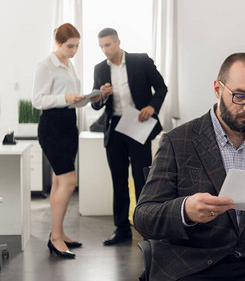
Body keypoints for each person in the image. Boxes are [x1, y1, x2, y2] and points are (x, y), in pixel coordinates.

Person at [133, 53, 245, 281]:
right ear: (218, 90)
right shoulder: (178, 141)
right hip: (194, 265)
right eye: (240, 96)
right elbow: (143, 216)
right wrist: (185, 210)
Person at [91, 28, 167, 246]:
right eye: (101, 46)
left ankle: (146, 228)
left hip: (138, 124)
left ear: (118, 42)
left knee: (142, 178)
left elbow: (162, 88)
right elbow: (95, 104)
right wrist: (101, 96)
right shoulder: (99, 69)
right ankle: (122, 229)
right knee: (118, 180)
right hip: (114, 128)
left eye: (108, 45)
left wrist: (152, 107)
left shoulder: (141, 61)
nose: (105, 50)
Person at [32, 23, 84, 259]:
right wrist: (65, 97)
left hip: (69, 123)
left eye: (76, 46)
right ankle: (55, 238)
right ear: (58, 43)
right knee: (68, 181)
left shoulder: (69, 65)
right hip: (52, 126)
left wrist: (89, 97)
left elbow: (71, 100)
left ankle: (60, 233)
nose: (74, 51)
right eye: (69, 46)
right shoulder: (45, 65)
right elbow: (37, 100)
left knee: (57, 182)